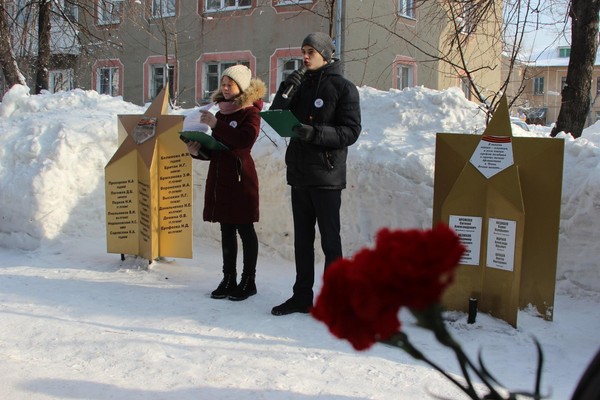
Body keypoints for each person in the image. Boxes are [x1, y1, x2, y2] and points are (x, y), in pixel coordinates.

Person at [269, 32, 362, 315]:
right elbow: (275, 117)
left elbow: (351, 131)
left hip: (326, 176)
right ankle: (302, 296)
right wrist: (286, 91)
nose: (305, 56)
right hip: (299, 173)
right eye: (303, 51)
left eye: (310, 51)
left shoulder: (344, 88)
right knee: (302, 240)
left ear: (325, 54)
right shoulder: (297, 85)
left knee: (330, 240)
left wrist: (315, 133)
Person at [186, 65, 266, 301]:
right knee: (226, 229)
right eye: (223, 83)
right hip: (221, 177)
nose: (225, 88)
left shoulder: (250, 113)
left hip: (241, 179)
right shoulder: (219, 114)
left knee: (245, 228)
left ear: (241, 86)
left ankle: (248, 280)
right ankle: (228, 278)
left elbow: (244, 141)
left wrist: (215, 125)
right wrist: (196, 150)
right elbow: (217, 150)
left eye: (230, 83)